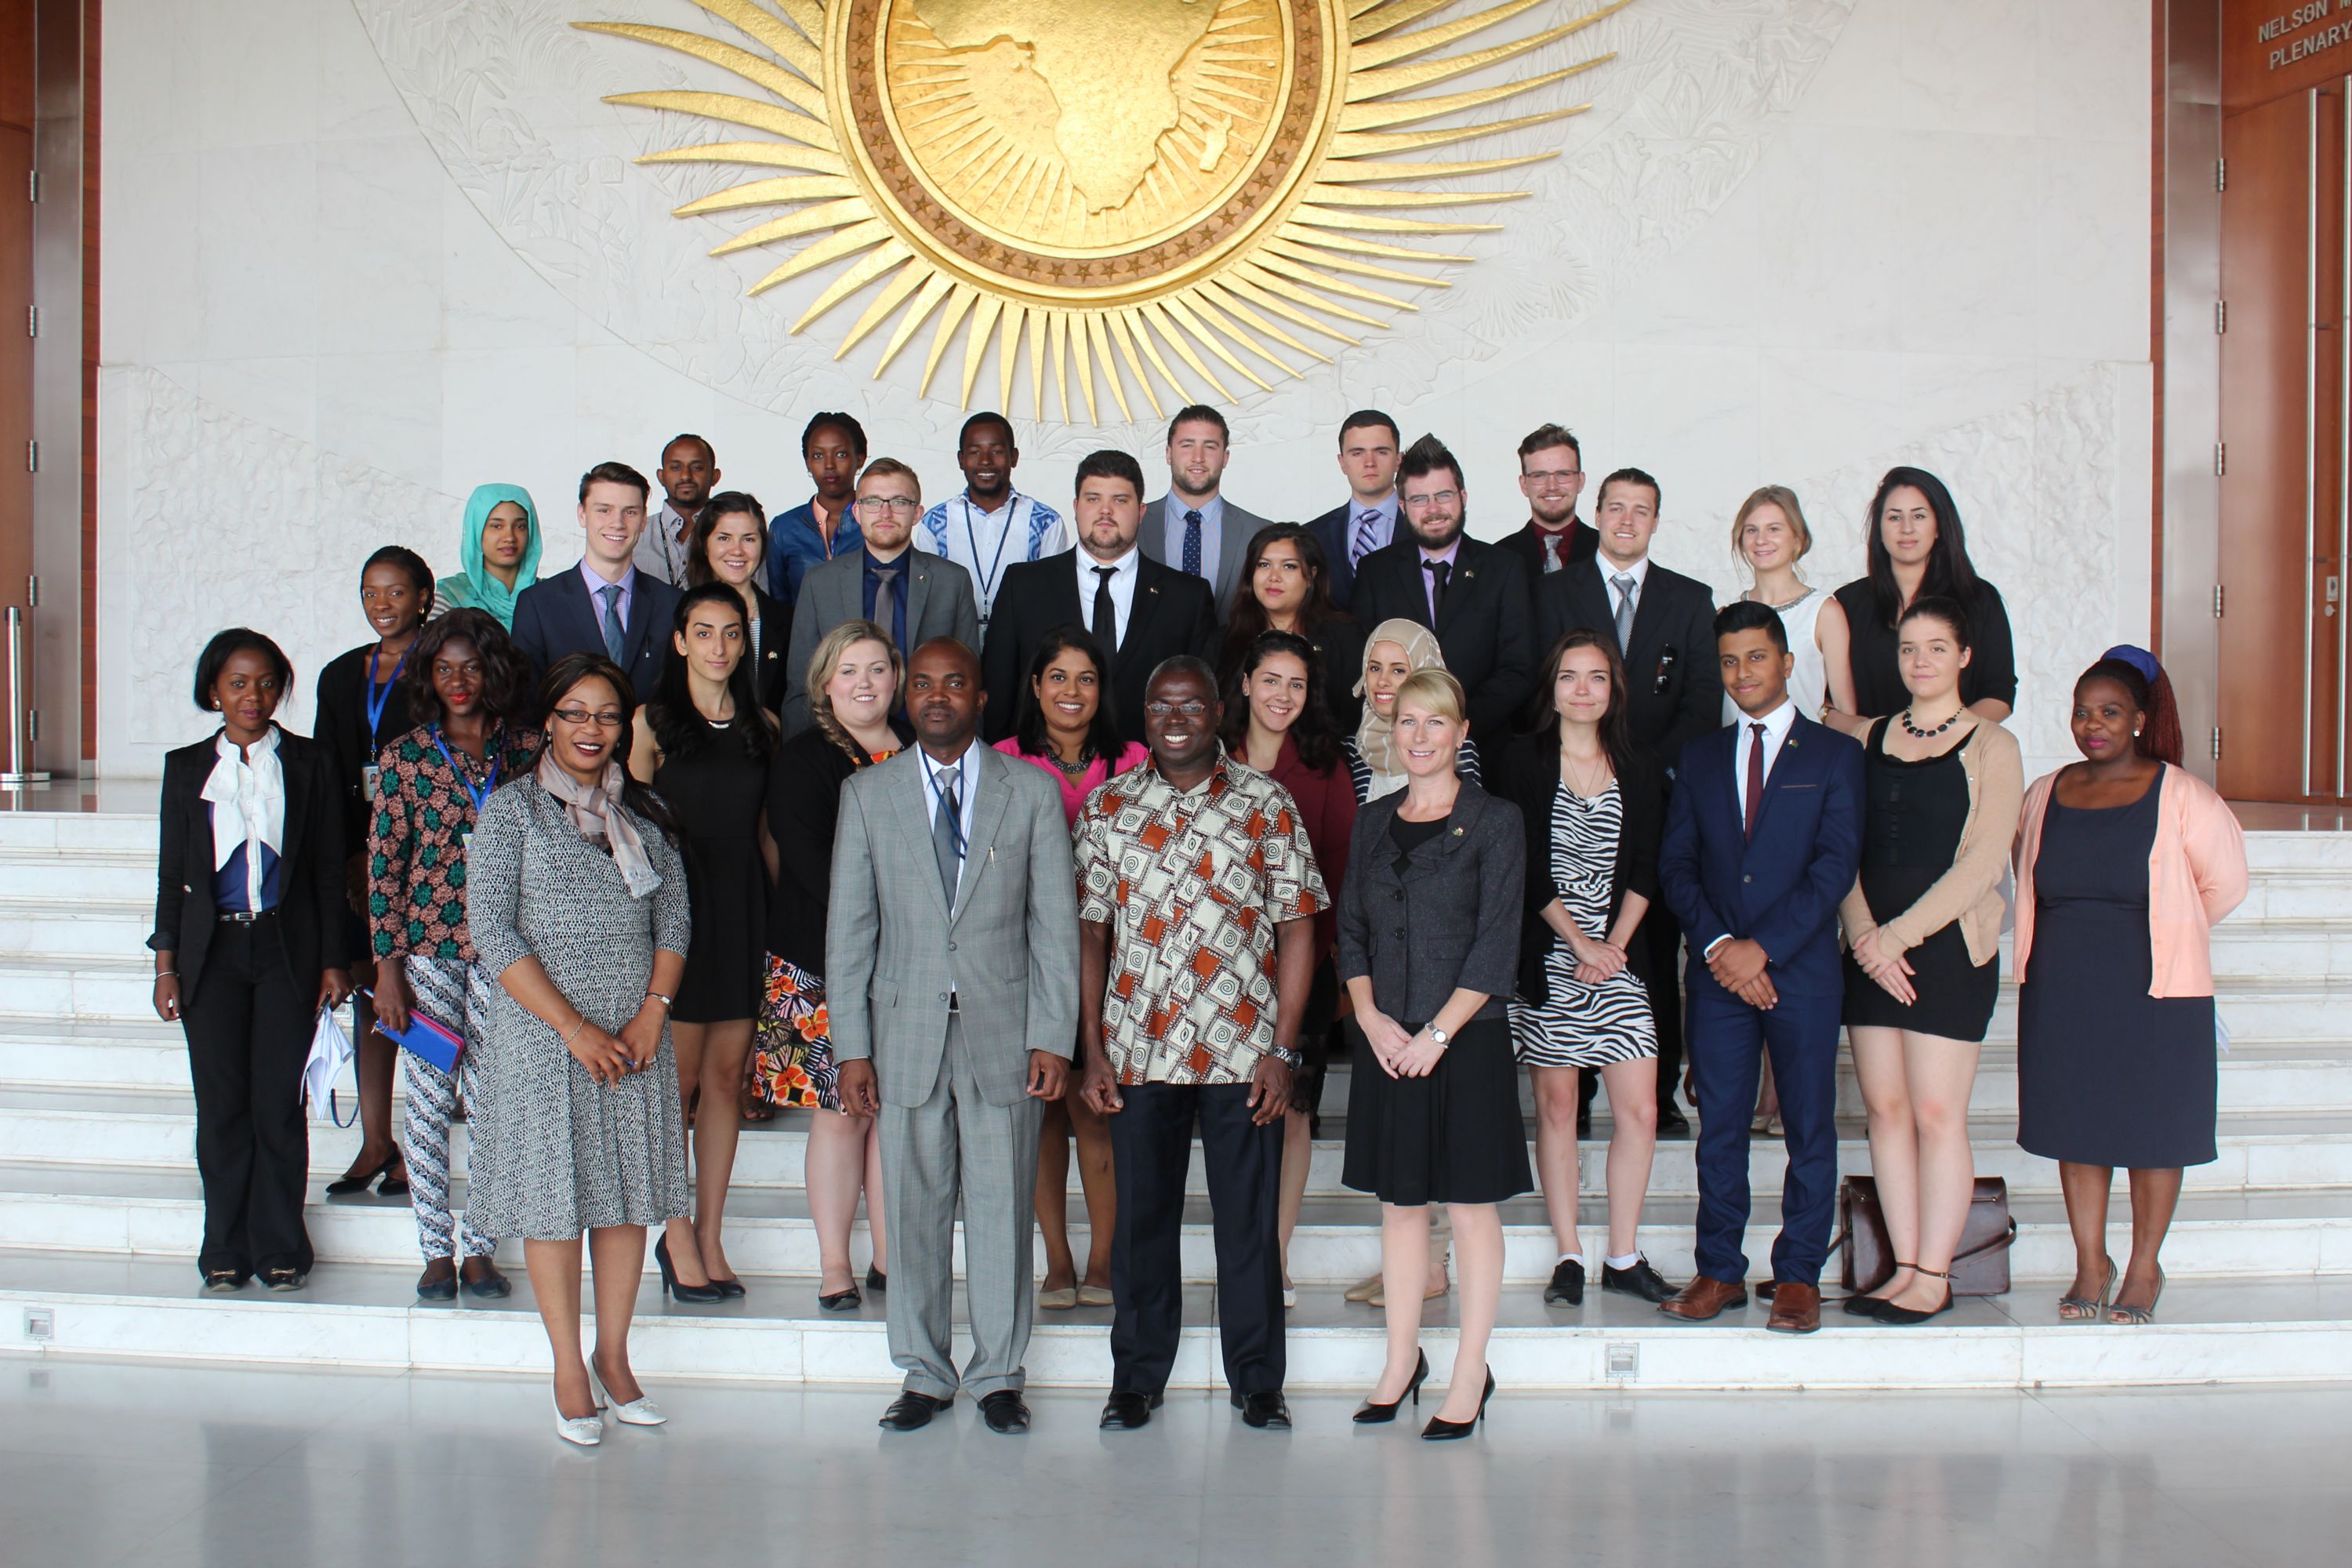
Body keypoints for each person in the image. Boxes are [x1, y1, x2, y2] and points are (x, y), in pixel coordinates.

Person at [829, 639, 1082, 1436]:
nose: (939, 696)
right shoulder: (868, 794)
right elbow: (850, 930)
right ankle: (924, 1371)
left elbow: (1054, 925)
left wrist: (1054, 1034)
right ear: (909, 695)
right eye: (926, 683)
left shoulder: (1031, 792)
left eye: (957, 683)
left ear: (981, 696)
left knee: (1005, 1204)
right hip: (902, 1034)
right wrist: (852, 1044)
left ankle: (1000, 1372)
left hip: (1005, 1033)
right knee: (911, 1209)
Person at [1077, 657, 1327, 1433]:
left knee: (1247, 1225)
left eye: (1192, 702)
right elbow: (1088, 934)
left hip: (1240, 1054)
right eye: (1161, 704)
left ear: (1221, 708)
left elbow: (1298, 927)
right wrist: (1091, 1047)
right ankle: (1136, 1378)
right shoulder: (1107, 807)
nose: (1177, 716)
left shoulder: (1267, 804)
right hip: (1138, 1049)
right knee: (1140, 1221)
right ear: (1144, 713)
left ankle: (1258, 1381)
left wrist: (1282, 1051)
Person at [464, 653, 694, 1446]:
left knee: (628, 1196)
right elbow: (492, 931)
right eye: (575, 712)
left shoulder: (648, 816)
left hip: (634, 1036)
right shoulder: (511, 813)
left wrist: (652, 1014)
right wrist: (574, 1027)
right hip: (544, 1038)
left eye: (606, 715)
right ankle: (568, 1366)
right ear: (548, 722)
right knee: (556, 1199)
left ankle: (615, 1355)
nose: (592, 729)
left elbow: (677, 922)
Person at [2015, 648, 2245, 1326]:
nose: (2094, 725)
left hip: (2156, 989)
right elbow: (2025, 867)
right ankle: (2092, 1263)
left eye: (2110, 713)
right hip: (2062, 985)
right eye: (2083, 713)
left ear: (2140, 719)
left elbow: (2225, 882)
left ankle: (2144, 1267)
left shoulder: (2182, 796)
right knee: (2075, 1127)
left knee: (2153, 1130)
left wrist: (2174, 927)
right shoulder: (2046, 791)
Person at [1656, 601, 1864, 1336]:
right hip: (1716, 976)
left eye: (1757, 657)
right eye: (1731, 660)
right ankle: (1719, 1269)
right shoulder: (1703, 755)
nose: (1744, 672)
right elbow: (1676, 866)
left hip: (1800, 972)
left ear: (1786, 662)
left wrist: (1762, 950)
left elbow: (1833, 868)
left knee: (1809, 1124)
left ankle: (1800, 1274)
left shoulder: (1835, 756)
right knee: (1721, 1129)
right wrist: (1719, 946)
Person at [1336, 668, 1526, 1439]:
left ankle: (1470, 1370)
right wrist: (1371, 1017)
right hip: (1388, 1040)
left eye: (1435, 722)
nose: (1419, 735)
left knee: (1471, 1209)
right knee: (1401, 1205)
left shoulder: (1496, 819)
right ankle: (1400, 1361)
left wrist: (1436, 1034)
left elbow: (1496, 940)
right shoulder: (1375, 819)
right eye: (1407, 721)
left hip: (1465, 1040)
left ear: (1461, 732)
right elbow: (1350, 927)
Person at [1837, 598, 2024, 1323]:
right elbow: (1842, 847)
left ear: (1964, 656)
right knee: (1885, 1113)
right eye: (1909, 648)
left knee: (1937, 1113)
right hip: (1870, 951)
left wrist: (1896, 938)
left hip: (1945, 951)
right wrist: (1864, 936)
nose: (1920, 661)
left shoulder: (1991, 745)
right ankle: (1902, 1266)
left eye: (1936, 648)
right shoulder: (1867, 739)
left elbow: (1982, 864)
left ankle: (1934, 1275)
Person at [151, 630, 352, 1292]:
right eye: (237, 683)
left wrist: (332, 961)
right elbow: (171, 875)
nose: (253, 696)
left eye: (266, 682)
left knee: (277, 1105)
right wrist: (167, 966)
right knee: (222, 1108)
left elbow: (326, 871)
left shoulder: (309, 762)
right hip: (212, 959)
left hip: (285, 952)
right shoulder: (185, 769)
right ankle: (224, 1243)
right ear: (214, 690)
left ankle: (279, 1241)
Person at [1534, 466, 1720, 1134]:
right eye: (1616, 508)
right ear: (1599, 511)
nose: (1626, 521)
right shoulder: (1555, 591)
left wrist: (1642, 774)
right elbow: (1543, 682)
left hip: (1657, 796)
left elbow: (1701, 703)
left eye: (1642, 511)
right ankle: (1575, 1092)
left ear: (1655, 521)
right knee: (1565, 943)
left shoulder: (1690, 598)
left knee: (1650, 941)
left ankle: (1657, 1089)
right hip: (1568, 787)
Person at [1496, 631, 1675, 1308]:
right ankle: (1570, 1251)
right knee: (1558, 1107)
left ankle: (1624, 1254)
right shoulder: (1523, 762)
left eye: (1596, 677)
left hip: (1617, 962)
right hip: (1550, 956)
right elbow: (1525, 869)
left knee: (1640, 1108)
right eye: (1569, 676)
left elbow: (1646, 865)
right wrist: (1578, 945)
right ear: (1553, 688)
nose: (1582, 689)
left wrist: (1613, 949)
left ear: (1613, 689)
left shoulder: (1637, 761)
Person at [366, 608, 541, 1301]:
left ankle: (480, 1250)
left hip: (511, 957)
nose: (459, 682)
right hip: (430, 956)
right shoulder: (405, 758)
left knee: (497, 1101)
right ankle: (435, 1250)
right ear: (427, 677)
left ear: (493, 671)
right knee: (431, 1101)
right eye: (444, 669)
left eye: (471, 668)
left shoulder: (529, 751)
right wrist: (387, 969)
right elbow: (385, 870)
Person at [627, 582, 779, 1301]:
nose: (719, 646)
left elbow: (767, 837)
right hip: (676, 915)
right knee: (675, 1086)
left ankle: (710, 1233)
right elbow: (622, 838)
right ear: (681, 640)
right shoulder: (651, 723)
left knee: (725, 1082)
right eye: (704, 632)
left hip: (742, 908)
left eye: (732, 633)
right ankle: (674, 1230)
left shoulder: (764, 725)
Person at [751, 621, 908, 1306]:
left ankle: (890, 1258)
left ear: (897, 678)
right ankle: (835, 1264)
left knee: (895, 1112)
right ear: (824, 684)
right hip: (822, 962)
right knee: (842, 1112)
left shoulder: (919, 753)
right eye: (849, 671)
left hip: (908, 969)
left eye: (877, 669)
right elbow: (811, 864)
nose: (865, 683)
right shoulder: (805, 759)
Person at [993, 626, 1146, 1310]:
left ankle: (1104, 1260)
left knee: (1098, 1110)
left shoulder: (1138, 760)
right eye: (1057, 677)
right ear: (1034, 686)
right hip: (1024, 959)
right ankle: (1056, 1261)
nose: (1071, 692)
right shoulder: (999, 760)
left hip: (1119, 962)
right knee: (1044, 1112)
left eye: (1085, 678)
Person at [1335, 619, 1471, 1306]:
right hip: (1383, 969)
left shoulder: (1457, 763)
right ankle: (1408, 1261)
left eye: (1400, 667)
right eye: (1376, 668)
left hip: (1444, 980)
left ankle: (1434, 1264)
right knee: (1398, 1129)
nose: (1386, 683)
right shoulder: (1361, 751)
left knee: (1438, 1127)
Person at [1221, 631, 1356, 1310]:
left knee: (1293, 1113)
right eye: (1271, 680)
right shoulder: (1211, 756)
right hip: (1214, 964)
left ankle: (1272, 1258)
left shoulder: (1325, 764)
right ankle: (1236, 1251)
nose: (1282, 696)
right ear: (1245, 683)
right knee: (1230, 1111)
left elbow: (1340, 867)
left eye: (1296, 685)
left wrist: (1320, 962)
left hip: (1304, 964)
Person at [315, 545, 434, 1201]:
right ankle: (376, 1140)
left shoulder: (439, 668)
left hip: (423, 854)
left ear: (422, 596)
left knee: (420, 1000)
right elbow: (328, 771)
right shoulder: (340, 676)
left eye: (394, 592)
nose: (382, 605)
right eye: (370, 593)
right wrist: (351, 854)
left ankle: (417, 1149)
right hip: (358, 851)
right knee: (371, 997)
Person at [981, 449, 1218, 747]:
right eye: (1093, 499)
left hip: (1152, 777)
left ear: (1141, 512)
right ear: (1076, 507)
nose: (1105, 511)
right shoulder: (1023, 585)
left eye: (1120, 500)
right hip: (1041, 774)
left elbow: (1201, 703)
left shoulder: (1187, 597)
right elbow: (999, 692)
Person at [1348, 434, 1534, 735]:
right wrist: (1411, 726)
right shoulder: (1375, 572)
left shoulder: (1504, 568)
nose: (1433, 509)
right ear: (1402, 505)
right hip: (1398, 745)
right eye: (1420, 499)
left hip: (1482, 745)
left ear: (1463, 496)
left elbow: (1518, 669)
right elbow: (1361, 665)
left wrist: (1453, 726)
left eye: (1443, 495)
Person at [783, 458, 979, 734]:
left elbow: (969, 680)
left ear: (917, 514)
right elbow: (801, 684)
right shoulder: (820, 582)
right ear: (857, 512)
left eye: (899, 502)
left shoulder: (952, 581)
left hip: (927, 741)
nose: (885, 513)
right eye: (873, 502)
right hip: (838, 742)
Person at [1830, 466, 2016, 731]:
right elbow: (1823, 696)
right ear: (1879, 530)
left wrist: (1937, 740)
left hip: (1953, 758)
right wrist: (1855, 729)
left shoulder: (1978, 599)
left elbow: (1999, 694)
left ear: (1939, 526)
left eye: (1919, 516)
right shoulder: (1847, 603)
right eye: (1894, 518)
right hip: (1866, 759)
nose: (1907, 528)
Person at [511, 462, 684, 699]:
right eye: (604, 510)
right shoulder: (538, 604)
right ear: (582, 514)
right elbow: (527, 703)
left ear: (644, 520)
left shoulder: (672, 603)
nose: (618, 523)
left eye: (630, 512)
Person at [919, 412, 1070, 630]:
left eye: (997, 451)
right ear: (961, 460)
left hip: (1022, 641)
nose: (986, 461)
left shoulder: (1046, 522)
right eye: (975, 452)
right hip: (953, 641)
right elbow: (929, 599)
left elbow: (1053, 599)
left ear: (1014, 457)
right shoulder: (934, 522)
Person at [1216, 521, 1367, 732]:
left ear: (1311, 575)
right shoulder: (1225, 639)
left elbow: (1356, 719)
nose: (1274, 577)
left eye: (1289, 566)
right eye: (1264, 565)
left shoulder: (1345, 636)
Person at [1725, 485, 1853, 726]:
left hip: (1804, 756)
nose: (1761, 540)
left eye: (1774, 529)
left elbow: (1846, 711)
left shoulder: (1824, 613)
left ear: (1797, 538)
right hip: (1735, 756)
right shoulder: (1726, 615)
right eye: (1752, 530)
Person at [1138, 404, 1271, 613]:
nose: (1197, 457)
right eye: (1187, 445)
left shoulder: (1260, 532)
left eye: (1209, 446)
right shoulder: (1134, 525)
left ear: (1225, 458)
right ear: (1168, 454)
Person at [685, 490, 793, 714]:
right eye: (724, 538)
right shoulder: (680, 614)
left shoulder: (788, 619)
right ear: (705, 545)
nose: (737, 550)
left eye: (749, 539)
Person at [767, 412, 867, 608]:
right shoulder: (784, 528)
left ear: (860, 460)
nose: (829, 465)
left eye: (841, 454)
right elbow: (779, 605)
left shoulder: (879, 522)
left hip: (867, 638)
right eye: (818, 455)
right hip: (804, 639)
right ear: (808, 463)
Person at [1305, 409, 1403, 611]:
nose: (1369, 463)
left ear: (1398, 460)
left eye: (1381, 451)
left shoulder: (1427, 528)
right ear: (1342, 463)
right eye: (1357, 453)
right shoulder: (1311, 536)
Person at [434, 484, 543, 630]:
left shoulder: (550, 596)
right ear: (476, 531)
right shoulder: (451, 597)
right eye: (497, 526)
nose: (510, 537)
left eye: (520, 526)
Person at [1496, 424, 1598, 578]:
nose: (1552, 486)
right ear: (1524, 485)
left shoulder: (1608, 552)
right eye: (1539, 475)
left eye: (1563, 474)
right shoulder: (1498, 558)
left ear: (1581, 481)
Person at [639, 432, 719, 585]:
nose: (685, 476)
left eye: (697, 468)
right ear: (661, 477)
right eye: (675, 467)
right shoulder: (635, 534)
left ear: (715, 476)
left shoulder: (736, 538)